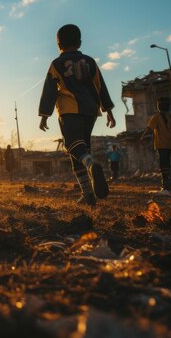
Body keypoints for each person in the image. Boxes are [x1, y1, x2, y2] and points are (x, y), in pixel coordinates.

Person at [38, 24, 115, 206]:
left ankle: (91, 165)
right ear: (80, 42)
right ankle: (87, 195)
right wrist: (109, 110)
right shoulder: (90, 62)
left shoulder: (56, 64)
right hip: (90, 110)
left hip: (69, 109)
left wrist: (44, 115)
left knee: (72, 145)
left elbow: (49, 90)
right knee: (79, 150)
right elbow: (100, 86)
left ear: (58, 44)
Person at [140, 97, 171, 194]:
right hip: (170, 144)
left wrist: (142, 137)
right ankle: (168, 185)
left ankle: (166, 186)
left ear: (159, 106)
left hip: (161, 144)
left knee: (163, 165)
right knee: (167, 164)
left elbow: (149, 128)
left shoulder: (156, 117)